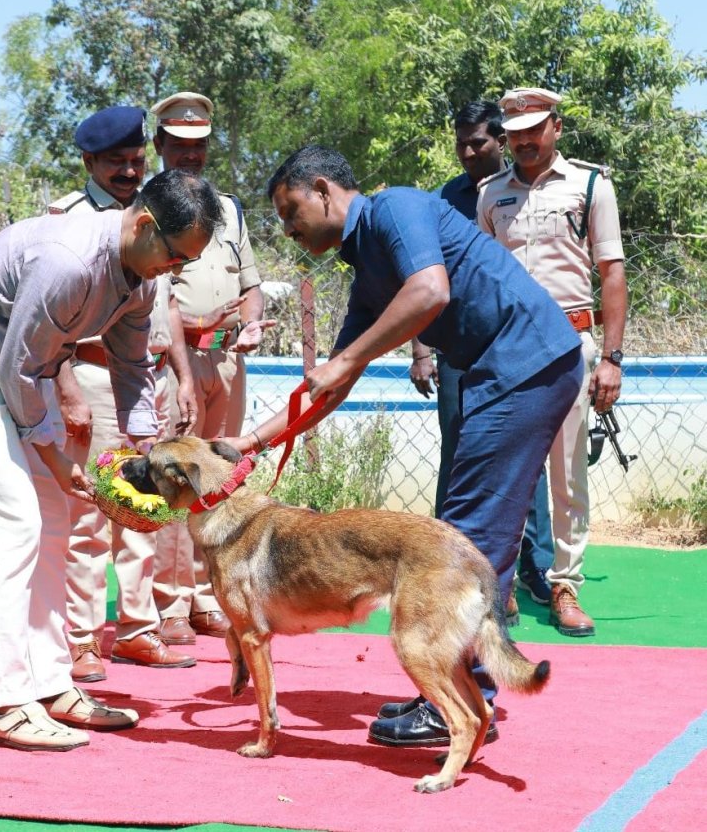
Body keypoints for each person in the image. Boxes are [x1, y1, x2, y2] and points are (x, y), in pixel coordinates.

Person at [226, 144, 583, 748]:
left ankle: (463, 701)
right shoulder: (365, 266)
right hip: (507, 371)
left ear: (322, 189)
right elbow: (333, 387)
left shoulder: (396, 209)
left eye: (291, 212)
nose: (288, 230)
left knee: (469, 533)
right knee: (465, 529)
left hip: (525, 364)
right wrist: (252, 442)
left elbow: (429, 292)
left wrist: (345, 358)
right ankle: (462, 692)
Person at [0, 169, 224, 751]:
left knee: (54, 523)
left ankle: (51, 686)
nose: (174, 271)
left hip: (11, 371)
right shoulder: (68, 260)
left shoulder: (142, 278)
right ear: (146, 225)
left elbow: (130, 367)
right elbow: (20, 370)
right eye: (175, 256)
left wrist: (143, 454)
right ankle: (6, 705)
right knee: (12, 527)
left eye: (185, 265)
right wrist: (54, 457)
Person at [49, 105, 197, 676]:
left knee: (143, 509)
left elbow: (170, 305)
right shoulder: (67, 217)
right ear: (89, 161)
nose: (129, 172)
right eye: (117, 162)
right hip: (90, 375)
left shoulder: (156, 214)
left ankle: (137, 628)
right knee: (90, 515)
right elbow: (46, 320)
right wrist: (66, 389)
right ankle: (82, 640)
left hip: (147, 379)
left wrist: (179, 376)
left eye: (137, 161)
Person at [476, 87, 628, 637]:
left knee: (567, 475)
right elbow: (482, 277)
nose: (523, 141)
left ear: (556, 127)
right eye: (514, 133)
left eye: (534, 130)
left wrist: (610, 359)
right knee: (507, 470)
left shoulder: (590, 184)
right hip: (509, 348)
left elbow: (611, 273)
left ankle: (565, 585)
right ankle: (504, 582)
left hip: (571, 343)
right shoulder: (491, 192)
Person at [409, 100, 554, 626]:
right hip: (457, 348)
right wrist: (421, 348)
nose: (470, 152)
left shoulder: (527, 193)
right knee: (460, 449)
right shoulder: (444, 198)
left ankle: (534, 569)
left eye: (480, 143)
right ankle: (449, 565)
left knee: (524, 452)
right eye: (462, 143)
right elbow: (419, 276)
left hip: (517, 345)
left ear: (502, 141)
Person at [148, 91, 275, 646]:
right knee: (174, 479)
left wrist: (250, 323)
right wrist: (181, 374)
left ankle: (206, 596)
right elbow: (161, 300)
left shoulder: (228, 209)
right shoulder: (149, 210)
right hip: (176, 363)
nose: (191, 156)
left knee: (217, 478)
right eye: (180, 146)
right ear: (160, 146)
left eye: (199, 146)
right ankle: (168, 602)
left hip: (227, 361)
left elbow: (252, 285)